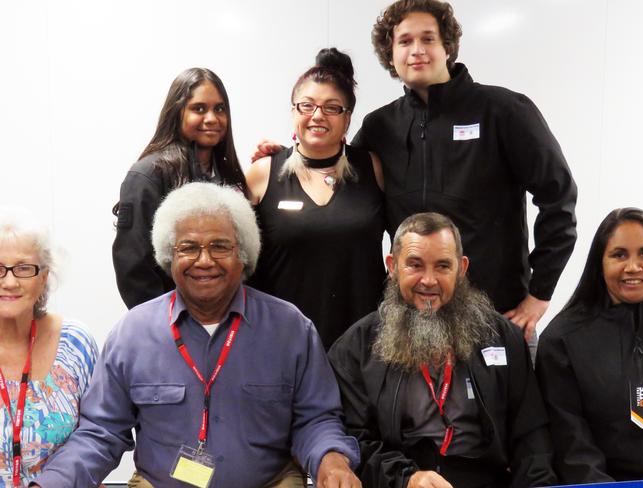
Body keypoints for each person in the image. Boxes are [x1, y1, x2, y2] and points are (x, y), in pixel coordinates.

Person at [253, 0, 577, 342]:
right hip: (409, 325)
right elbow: (336, 167)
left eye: (428, 39)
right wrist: (284, 158)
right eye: (405, 41)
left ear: (447, 46)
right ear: (389, 53)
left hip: (493, 319)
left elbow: (559, 198)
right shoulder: (381, 128)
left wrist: (539, 295)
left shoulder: (504, 111)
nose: (417, 51)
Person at [33, 183, 360, 488]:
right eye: (188, 247)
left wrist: (331, 461)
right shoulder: (132, 334)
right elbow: (101, 433)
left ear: (242, 253)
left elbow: (316, 420)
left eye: (220, 246)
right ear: (169, 256)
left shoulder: (291, 329)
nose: (204, 261)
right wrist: (52, 482)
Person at [328, 212, 557, 488]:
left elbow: (531, 435)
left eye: (442, 266)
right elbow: (354, 440)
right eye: (415, 265)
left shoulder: (501, 336)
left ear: (461, 268)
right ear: (392, 266)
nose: (428, 280)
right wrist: (405, 478)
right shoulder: (357, 348)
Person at [246, 48, 385, 349]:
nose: (317, 115)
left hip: (363, 346)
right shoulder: (262, 174)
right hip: (280, 343)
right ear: (293, 112)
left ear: (347, 119)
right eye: (306, 106)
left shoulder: (373, 168)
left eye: (332, 108)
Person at [112, 67, 248, 310]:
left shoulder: (229, 175)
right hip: (171, 326)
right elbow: (133, 268)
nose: (211, 118)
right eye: (199, 108)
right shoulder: (147, 175)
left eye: (219, 108)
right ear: (177, 113)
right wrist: (163, 325)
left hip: (227, 321)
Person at [536, 207, 643, 483]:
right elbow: (571, 442)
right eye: (619, 255)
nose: (633, 267)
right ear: (599, 262)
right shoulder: (561, 340)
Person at [0, 207, 98, 485]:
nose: (9, 282)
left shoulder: (75, 343)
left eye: (23, 268)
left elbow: (100, 433)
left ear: (43, 277)